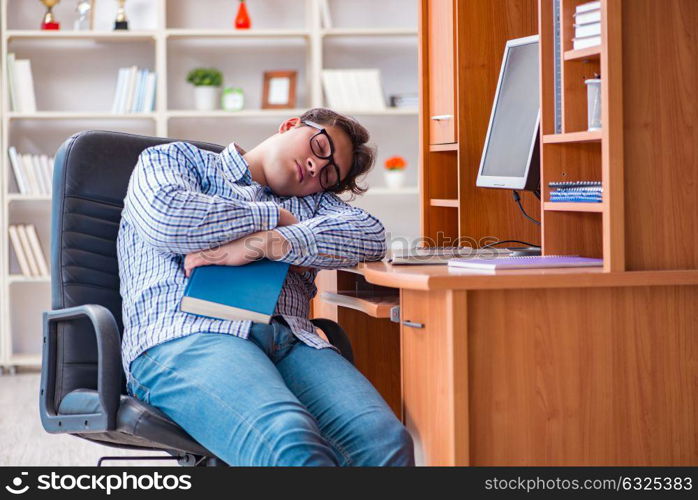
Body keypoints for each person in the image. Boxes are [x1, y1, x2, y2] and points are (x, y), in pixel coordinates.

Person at [117, 107, 414, 466]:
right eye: (320, 147)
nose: (318, 168)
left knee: (386, 442)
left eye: (330, 174)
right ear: (291, 125)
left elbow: (370, 236)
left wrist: (264, 243)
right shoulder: (179, 159)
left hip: (289, 341)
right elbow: (168, 217)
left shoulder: (314, 202)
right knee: (290, 444)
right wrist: (273, 217)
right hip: (188, 334)